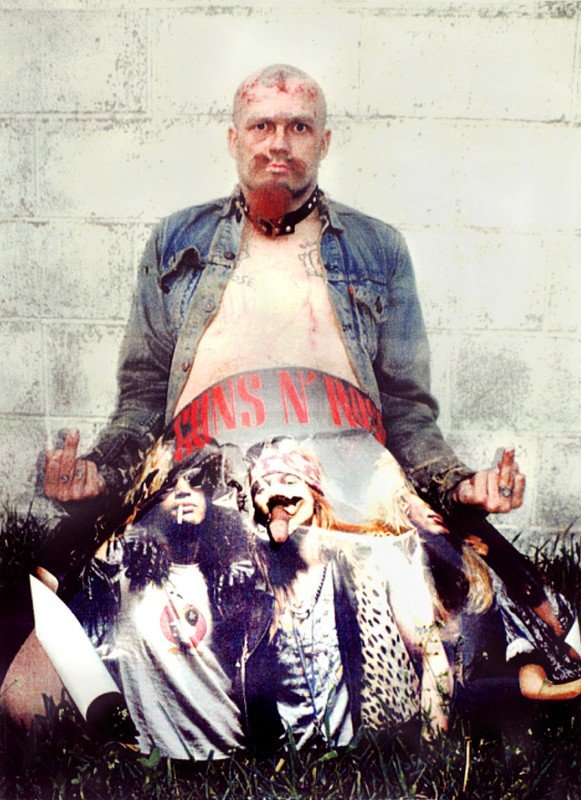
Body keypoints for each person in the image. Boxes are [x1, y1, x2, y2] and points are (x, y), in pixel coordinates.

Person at [241, 440, 451, 753]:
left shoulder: (373, 560)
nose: (275, 494)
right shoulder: (254, 586)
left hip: (371, 760)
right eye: (261, 488)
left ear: (314, 491)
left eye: (289, 480)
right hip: (287, 768)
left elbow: (432, 656)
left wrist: (430, 749)